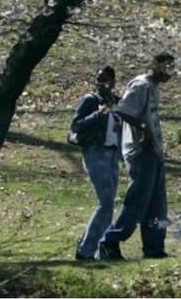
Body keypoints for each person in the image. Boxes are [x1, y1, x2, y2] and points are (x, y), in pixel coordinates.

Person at [98, 53, 174, 260]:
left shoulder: (153, 88)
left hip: (154, 151)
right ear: (155, 66)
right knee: (137, 202)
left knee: (157, 205)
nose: (171, 73)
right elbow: (122, 110)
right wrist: (144, 129)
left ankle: (154, 249)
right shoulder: (140, 85)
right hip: (140, 151)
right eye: (167, 67)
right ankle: (109, 242)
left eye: (173, 68)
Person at [71, 65, 123, 261]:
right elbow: (76, 125)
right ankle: (85, 250)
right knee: (105, 202)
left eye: (106, 80)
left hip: (112, 153)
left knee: (109, 204)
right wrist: (97, 115)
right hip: (95, 152)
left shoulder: (118, 102)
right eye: (98, 80)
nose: (102, 84)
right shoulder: (90, 101)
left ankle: (103, 250)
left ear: (113, 82)